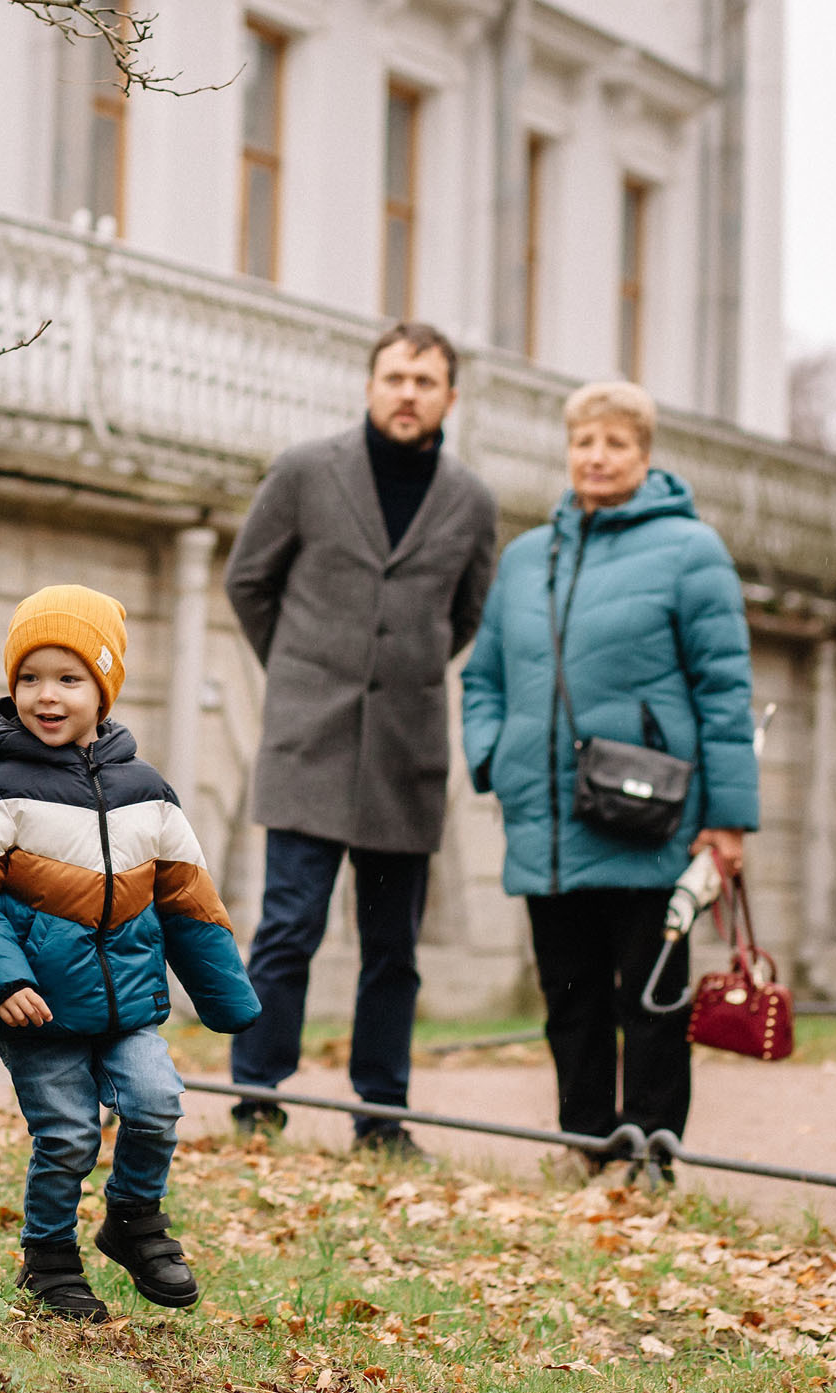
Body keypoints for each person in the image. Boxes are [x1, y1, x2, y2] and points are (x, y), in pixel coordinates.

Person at [0, 586, 260, 1322]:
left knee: (156, 1103)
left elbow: (188, 898)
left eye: (68, 678)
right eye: (30, 678)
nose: (46, 696)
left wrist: (227, 997)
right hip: (38, 1011)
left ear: (105, 688)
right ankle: (48, 1260)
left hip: (128, 1008)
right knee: (69, 1134)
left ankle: (133, 1221)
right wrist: (4, 982)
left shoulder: (149, 792)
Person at [221, 323, 501, 1155]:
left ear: (450, 397)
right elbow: (248, 581)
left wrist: (403, 671)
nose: (407, 392)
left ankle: (382, 1116)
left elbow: (468, 615)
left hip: (406, 754)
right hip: (309, 742)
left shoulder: (472, 501)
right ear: (370, 386)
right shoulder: (307, 471)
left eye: (425, 380)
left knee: (393, 948)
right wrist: (304, 670)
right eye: (394, 377)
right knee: (288, 928)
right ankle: (255, 1097)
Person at [460, 381, 757, 1164]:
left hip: (653, 821)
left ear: (645, 455)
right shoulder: (527, 558)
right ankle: (587, 1143)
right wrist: (496, 757)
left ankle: (653, 1150)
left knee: (651, 999)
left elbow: (724, 692)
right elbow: (482, 677)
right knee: (569, 1000)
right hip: (547, 820)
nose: (597, 456)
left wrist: (727, 822)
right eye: (584, 441)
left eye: (615, 442)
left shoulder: (693, 551)